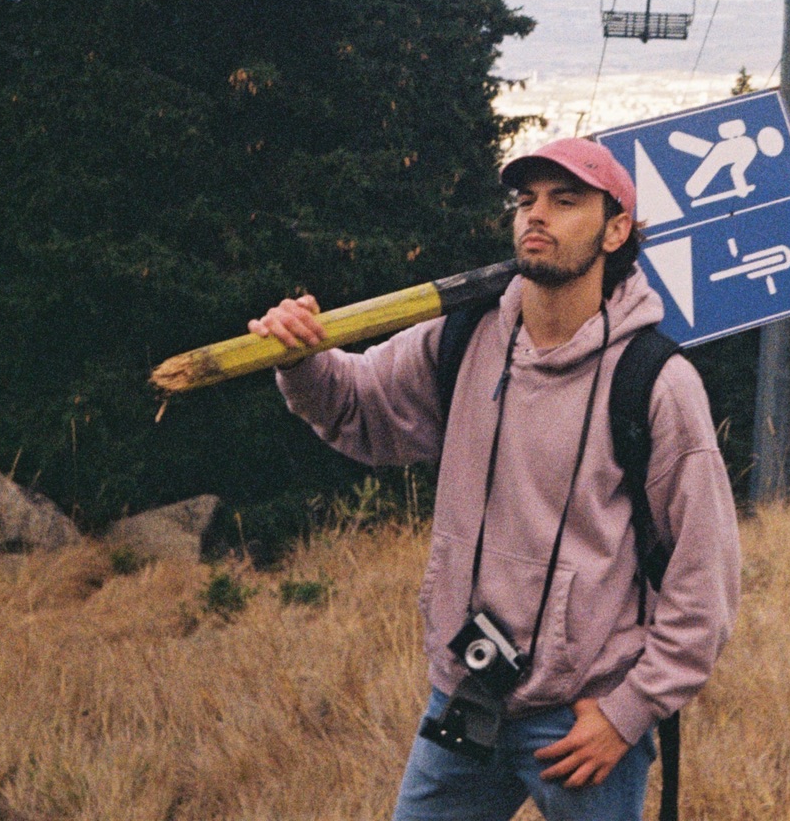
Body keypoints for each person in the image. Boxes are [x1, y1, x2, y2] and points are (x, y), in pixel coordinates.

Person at [249, 137, 742, 821]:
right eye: (526, 199)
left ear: (616, 231)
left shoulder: (655, 381)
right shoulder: (463, 339)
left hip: (580, 719)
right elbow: (358, 407)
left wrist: (628, 712)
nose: (536, 214)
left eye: (565, 201)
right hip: (465, 696)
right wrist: (302, 359)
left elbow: (705, 573)